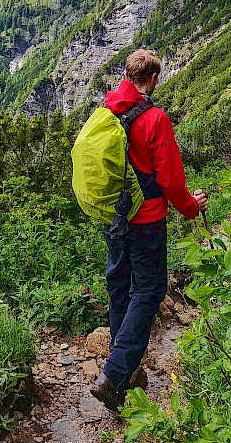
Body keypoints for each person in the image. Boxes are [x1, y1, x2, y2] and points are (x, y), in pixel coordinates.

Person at [91, 48, 207, 411]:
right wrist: (191, 206)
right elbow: (170, 181)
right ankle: (115, 374)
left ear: (128, 76)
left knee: (119, 286)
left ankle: (120, 368)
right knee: (150, 288)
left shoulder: (107, 111)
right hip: (147, 219)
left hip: (114, 217)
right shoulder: (155, 119)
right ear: (153, 79)